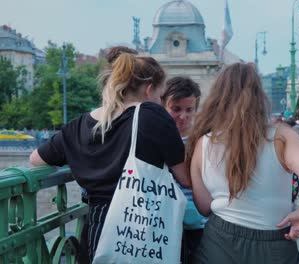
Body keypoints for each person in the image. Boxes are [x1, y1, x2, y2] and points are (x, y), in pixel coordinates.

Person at [29, 48, 191, 263]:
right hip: (144, 225)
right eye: (161, 97)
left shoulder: (78, 125)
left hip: (98, 228)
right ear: (149, 90)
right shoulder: (152, 116)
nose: (161, 103)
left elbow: (36, 159)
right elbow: (185, 177)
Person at [186, 63, 299, 264]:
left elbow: (203, 206)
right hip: (274, 243)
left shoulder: (204, 143)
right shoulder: (281, 137)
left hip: (218, 242)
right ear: (259, 96)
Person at [161, 76, 204, 264]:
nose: (183, 116)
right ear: (163, 106)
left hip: (198, 221)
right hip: (165, 221)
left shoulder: (203, 139)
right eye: (176, 109)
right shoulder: (154, 138)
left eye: (189, 110)